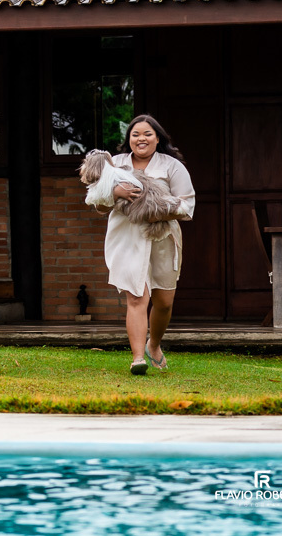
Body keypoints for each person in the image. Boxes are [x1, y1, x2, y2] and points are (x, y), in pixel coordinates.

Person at [99, 114, 195, 376]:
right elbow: (95, 200)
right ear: (128, 139)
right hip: (127, 237)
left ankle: (154, 344)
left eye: (147, 134)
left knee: (163, 301)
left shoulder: (171, 166)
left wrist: (157, 211)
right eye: (135, 134)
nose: (141, 139)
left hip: (162, 236)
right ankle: (137, 358)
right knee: (136, 296)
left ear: (158, 138)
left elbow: (187, 205)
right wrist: (113, 192)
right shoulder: (115, 164)